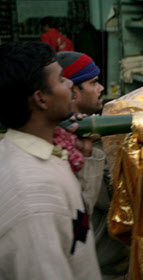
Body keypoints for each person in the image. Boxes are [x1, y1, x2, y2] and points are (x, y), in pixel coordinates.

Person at [0, 41, 100, 279]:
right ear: (41, 99)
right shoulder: (33, 195)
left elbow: (75, 225)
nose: (69, 86)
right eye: (62, 80)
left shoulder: (43, 151)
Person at [57, 51, 130, 277]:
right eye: (94, 83)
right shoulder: (74, 149)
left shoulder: (90, 139)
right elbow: (121, 200)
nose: (100, 89)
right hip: (100, 267)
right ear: (72, 92)